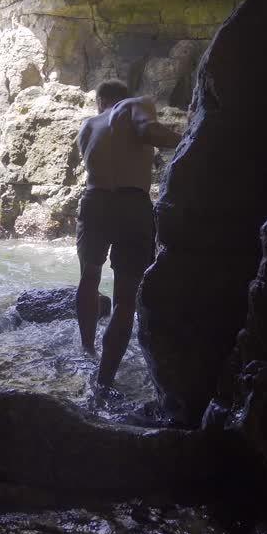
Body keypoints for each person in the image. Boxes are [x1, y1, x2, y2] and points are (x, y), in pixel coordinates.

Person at [75, 80, 182, 392]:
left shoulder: (88, 125)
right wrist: (189, 136)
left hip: (94, 202)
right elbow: (149, 132)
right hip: (131, 204)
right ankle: (104, 382)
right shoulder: (138, 103)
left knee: (89, 277)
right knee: (124, 299)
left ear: (100, 101)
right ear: (123, 97)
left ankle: (87, 350)